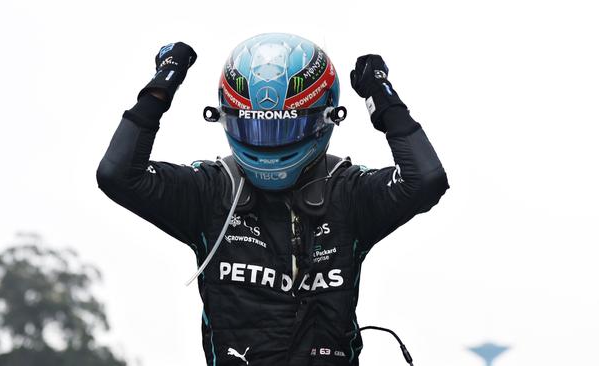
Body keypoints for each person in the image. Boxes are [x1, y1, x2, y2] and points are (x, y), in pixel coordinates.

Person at [97, 33, 448, 366]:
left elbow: (426, 179)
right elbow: (118, 175)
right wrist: (159, 89)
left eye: (283, 127)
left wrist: (383, 100)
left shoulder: (348, 193)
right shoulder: (211, 192)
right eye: (255, 127)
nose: (268, 143)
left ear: (328, 119)